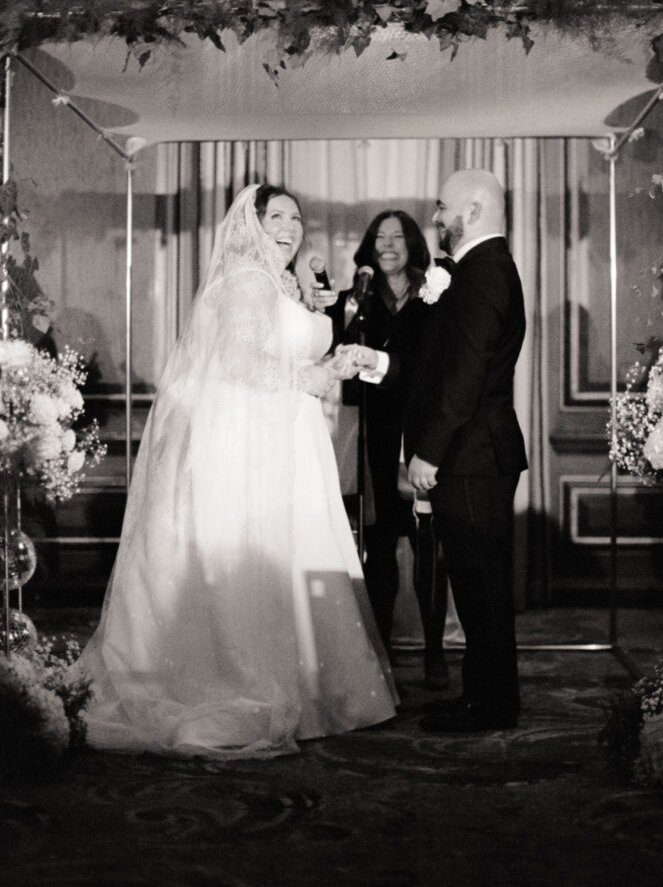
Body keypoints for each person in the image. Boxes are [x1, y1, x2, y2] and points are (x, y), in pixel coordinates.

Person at [77, 184, 397, 759]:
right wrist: (312, 377)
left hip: (288, 433)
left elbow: (276, 353)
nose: (289, 227)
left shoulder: (281, 283)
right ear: (250, 224)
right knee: (262, 557)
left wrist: (327, 360)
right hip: (252, 442)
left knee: (296, 551)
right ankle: (261, 684)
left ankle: (317, 691)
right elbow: (238, 362)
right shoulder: (246, 281)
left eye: (296, 218)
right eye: (275, 216)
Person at [404, 170, 527, 733]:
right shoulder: (478, 270)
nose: (435, 217)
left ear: (472, 211)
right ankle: (483, 696)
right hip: (475, 454)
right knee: (478, 588)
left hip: (473, 457)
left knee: (482, 589)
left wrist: (429, 453)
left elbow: (466, 376)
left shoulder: (484, 273)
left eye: (442, 207)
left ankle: (492, 705)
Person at [325, 210, 449, 690]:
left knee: (428, 549)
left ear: (413, 244)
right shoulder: (356, 298)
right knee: (377, 552)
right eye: (380, 238)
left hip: (422, 439)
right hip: (374, 438)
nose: (388, 245)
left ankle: (435, 651)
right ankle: (379, 653)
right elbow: (334, 349)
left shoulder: (435, 290)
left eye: (398, 237)